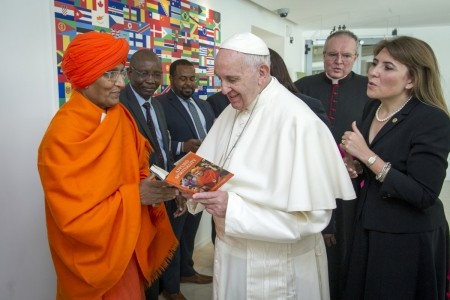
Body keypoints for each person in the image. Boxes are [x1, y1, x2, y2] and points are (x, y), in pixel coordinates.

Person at [185, 32, 356, 300]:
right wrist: (190, 188)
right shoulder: (232, 111)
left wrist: (233, 208)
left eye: (232, 79)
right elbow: (209, 167)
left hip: (276, 268)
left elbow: (311, 218)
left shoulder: (299, 121)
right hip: (231, 256)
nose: (223, 89)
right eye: (220, 78)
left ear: (262, 73)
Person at [37, 31, 178, 300]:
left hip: (127, 245)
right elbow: (73, 218)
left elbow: (139, 168)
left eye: (120, 72)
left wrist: (161, 189)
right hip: (95, 257)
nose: (121, 84)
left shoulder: (119, 116)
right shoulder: (62, 135)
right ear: (86, 78)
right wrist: (134, 196)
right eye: (110, 75)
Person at [340, 36, 450, 300]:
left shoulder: (432, 119)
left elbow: (424, 194)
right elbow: (377, 169)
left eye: (388, 67)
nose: (373, 72)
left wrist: (368, 157)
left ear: (411, 80)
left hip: (407, 237)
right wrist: (356, 166)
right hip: (369, 226)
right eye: (375, 63)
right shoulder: (373, 108)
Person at [294, 30, 370, 300]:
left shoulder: (368, 88)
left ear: (355, 57)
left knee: (347, 242)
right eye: (332, 54)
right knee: (310, 239)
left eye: (346, 55)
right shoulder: (302, 87)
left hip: (352, 180)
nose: (339, 61)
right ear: (323, 55)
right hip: (311, 179)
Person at [119, 49, 187, 300]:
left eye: (156, 74)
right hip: (138, 195)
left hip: (163, 187)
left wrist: (174, 185)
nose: (150, 80)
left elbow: (163, 149)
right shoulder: (118, 103)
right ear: (128, 73)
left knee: (163, 245)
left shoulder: (157, 104)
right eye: (143, 73)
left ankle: (166, 290)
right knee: (142, 257)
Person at [156, 59, 215, 297]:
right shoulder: (160, 104)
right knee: (175, 231)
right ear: (172, 80)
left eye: (192, 78)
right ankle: (171, 288)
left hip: (202, 173)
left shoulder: (204, 106)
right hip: (177, 173)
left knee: (192, 225)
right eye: (183, 78)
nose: (189, 83)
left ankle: (187, 270)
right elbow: (155, 139)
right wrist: (182, 145)